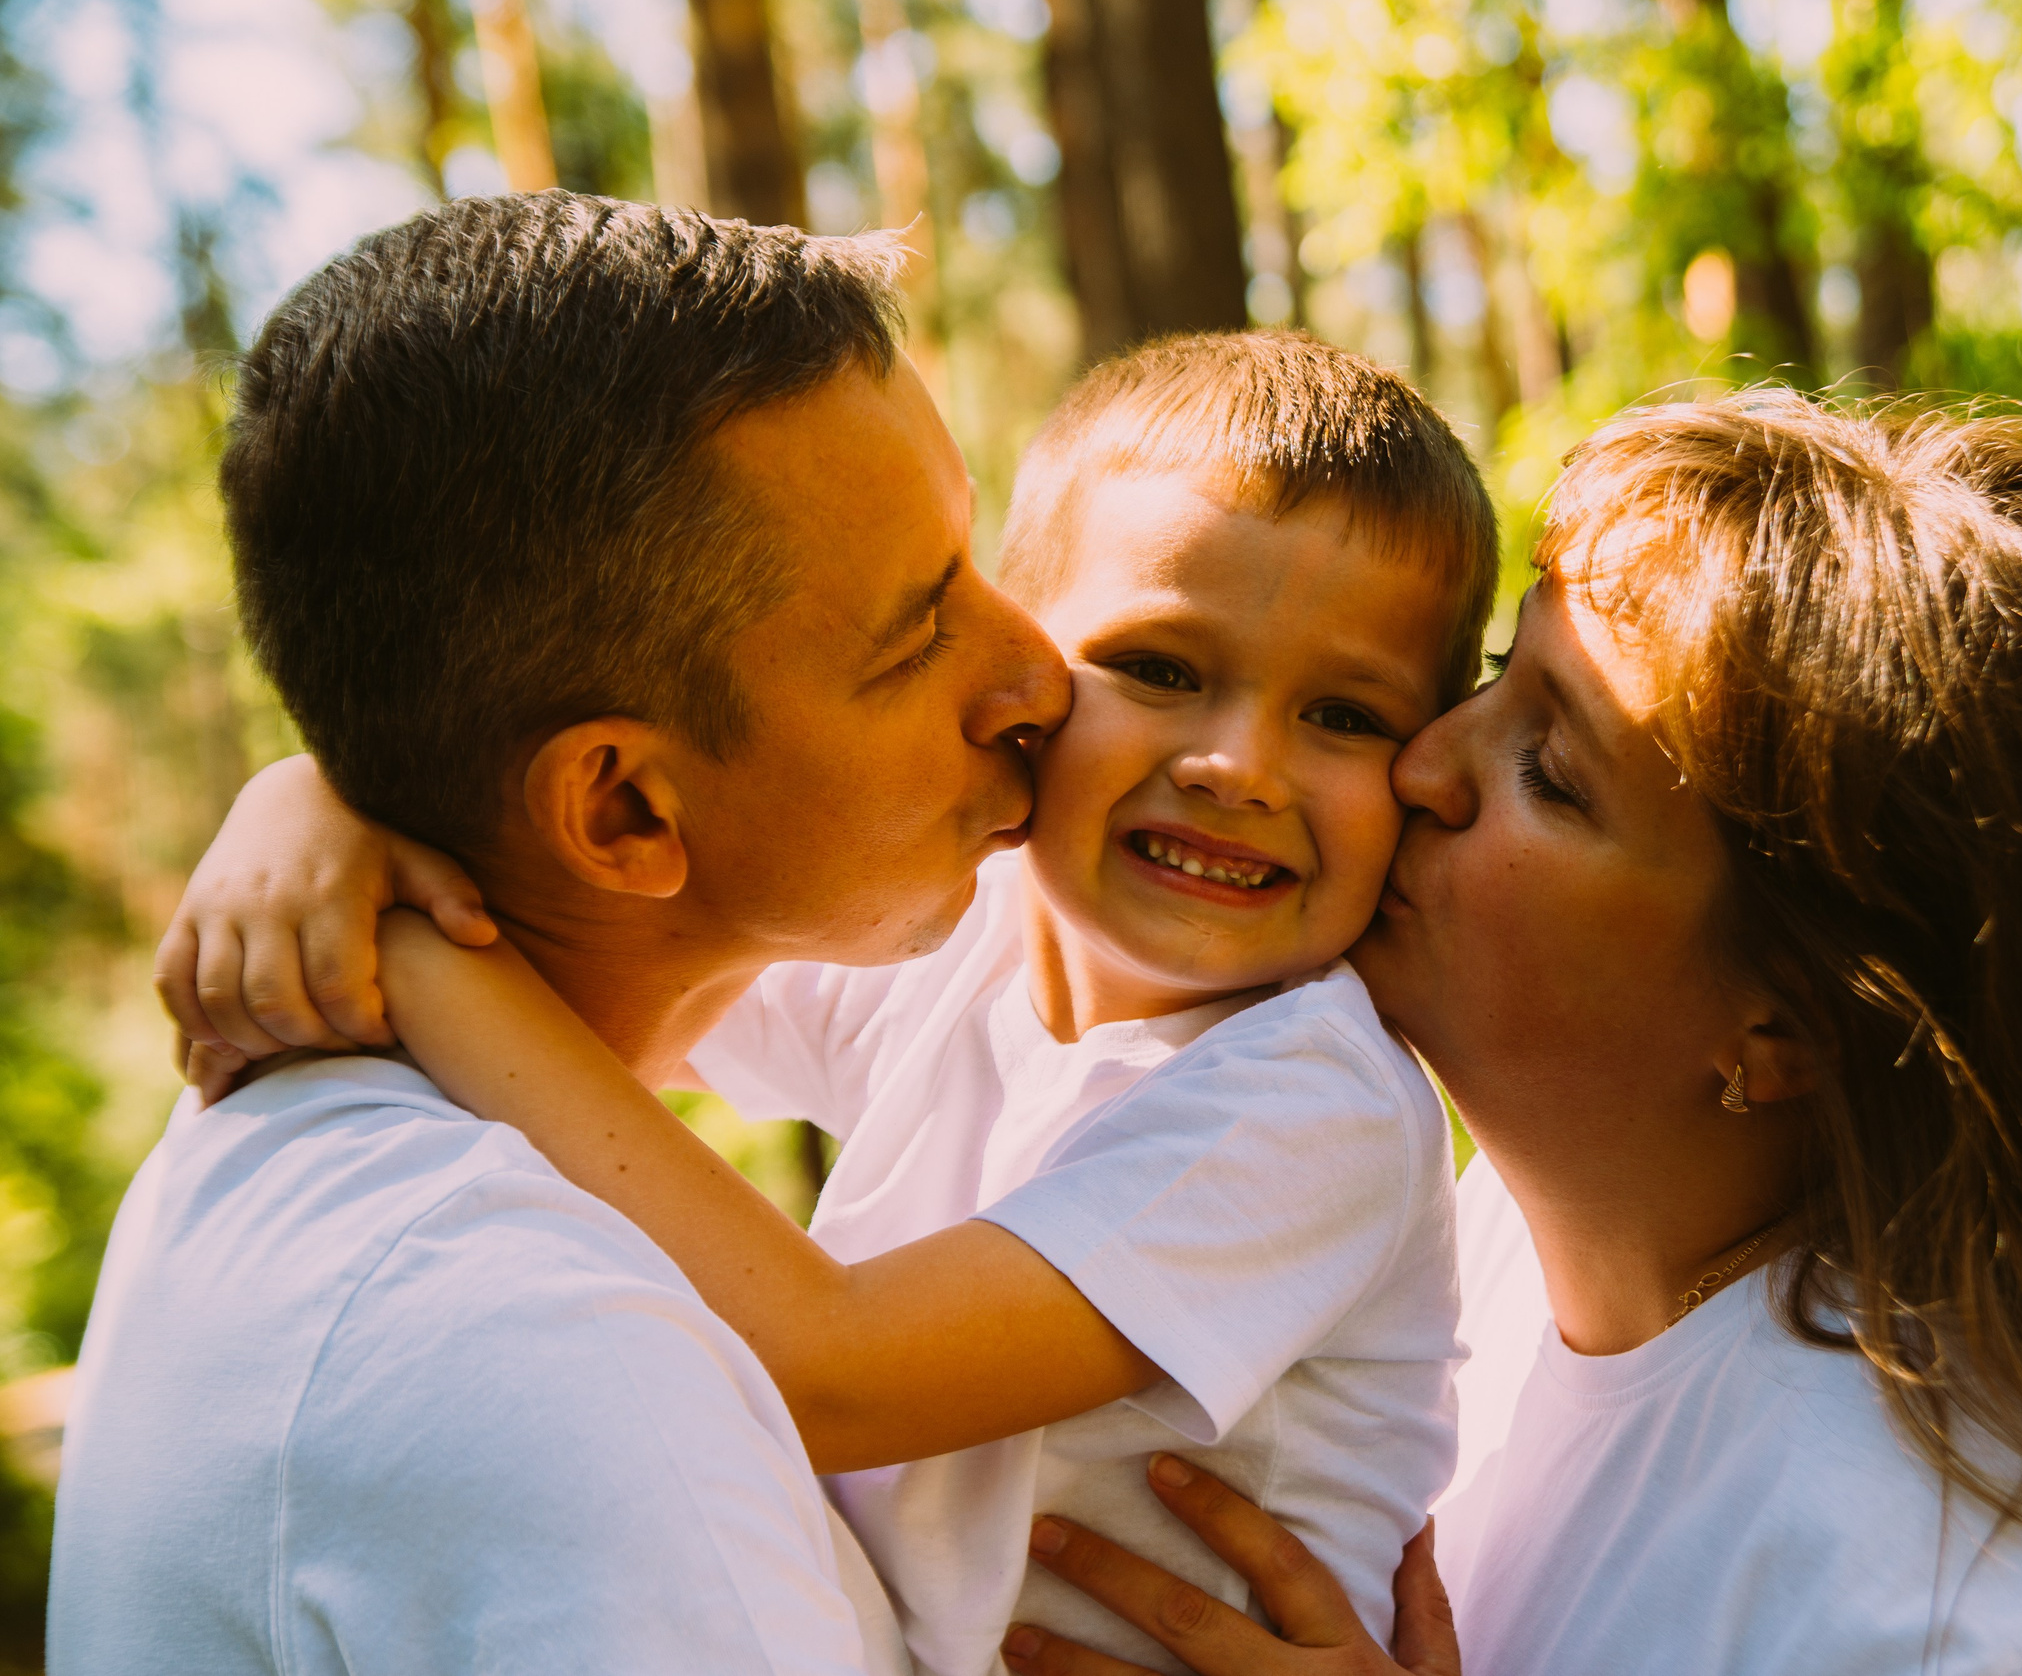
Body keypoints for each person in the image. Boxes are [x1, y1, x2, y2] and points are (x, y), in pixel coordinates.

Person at [995, 392, 2022, 1676]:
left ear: (1791, 1022)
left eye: (1555, 768)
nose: (1421, 765)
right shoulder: (1454, 1243)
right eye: (1491, 679)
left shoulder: (1997, 1609)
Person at [163, 333, 1500, 1676]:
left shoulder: (1312, 1098)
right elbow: (608, 951)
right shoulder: (973, 944)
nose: (1239, 765)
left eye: (1346, 715)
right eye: (1158, 667)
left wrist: (417, 956)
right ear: (1029, 672)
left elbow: (831, 1373)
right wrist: (316, 799)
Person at [50, 191, 1071, 1673]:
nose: (1038, 672)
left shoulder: (306, 1157)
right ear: (624, 816)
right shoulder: (552, 1359)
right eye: (917, 635)